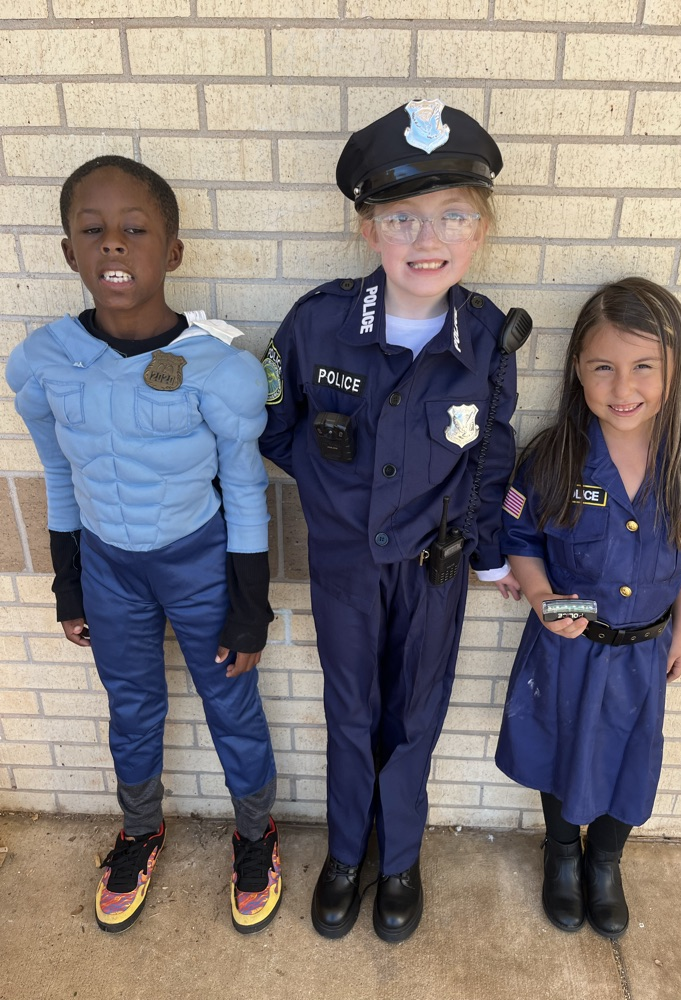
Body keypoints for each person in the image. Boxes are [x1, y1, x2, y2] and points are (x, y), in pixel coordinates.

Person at [260, 99, 522, 943]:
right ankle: (346, 854)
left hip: (433, 572)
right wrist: (334, 500)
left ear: (480, 230)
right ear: (368, 230)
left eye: (452, 214)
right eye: (401, 217)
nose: (425, 237)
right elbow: (274, 419)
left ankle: (399, 857)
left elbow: (492, 449)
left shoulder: (484, 336)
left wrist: (486, 553)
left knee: (416, 712)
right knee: (348, 709)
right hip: (344, 568)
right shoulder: (318, 323)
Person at [7, 155, 282, 935]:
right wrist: (70, 587)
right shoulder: (44, 364)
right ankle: (138, 830)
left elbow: (247, 491)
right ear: (68, 252)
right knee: (131, 708)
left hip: (198, 562)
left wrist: (248, 609)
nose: (115, 248)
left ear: (173, 251)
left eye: (135, 230)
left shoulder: (218, 371)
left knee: (232, 704)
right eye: (93, 232)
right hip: (108, 567)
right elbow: (60, 480)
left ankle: (257, 836)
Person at [495, 277, 681, 939]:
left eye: (644, 367)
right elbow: (520, 538)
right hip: (569, 648)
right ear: (578, 371)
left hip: (644, 653)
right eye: (604, 368)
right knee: (562, 752)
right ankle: (562, 855)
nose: (624, 388)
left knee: (632, 756)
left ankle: (605, 861)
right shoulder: (552, 459)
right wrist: (539, 595)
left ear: (673, 371)